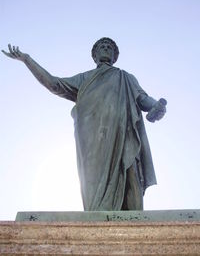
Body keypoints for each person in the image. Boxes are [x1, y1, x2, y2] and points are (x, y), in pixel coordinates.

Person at [2, 38, 166, 211]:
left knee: (130, 171)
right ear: (94, 55)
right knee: (94, 182)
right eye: (101, 46)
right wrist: (27, 60)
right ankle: (97, 220)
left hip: (123, 132)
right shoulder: (84, 79)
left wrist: (156, 106)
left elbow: (142, 98)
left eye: (109, 47)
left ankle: (137, 225)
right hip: (92, 138)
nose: (105, 48)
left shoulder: (125, 77)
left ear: (114, 55)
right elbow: (54, 84)